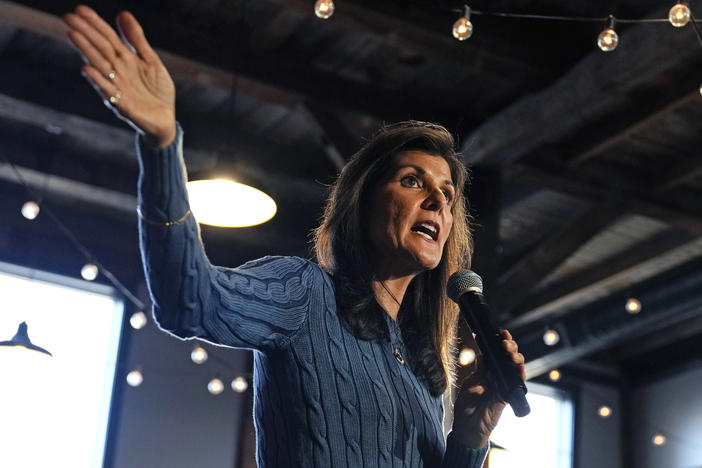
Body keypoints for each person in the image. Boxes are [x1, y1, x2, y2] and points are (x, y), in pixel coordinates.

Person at [63, 5, 526, 467]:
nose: (438, 202)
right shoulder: (305, 292)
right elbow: (186, 301)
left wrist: (468, 437)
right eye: (412, 181)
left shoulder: (426, 372)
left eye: (448, 194)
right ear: (363, 201)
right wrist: (162, 144)